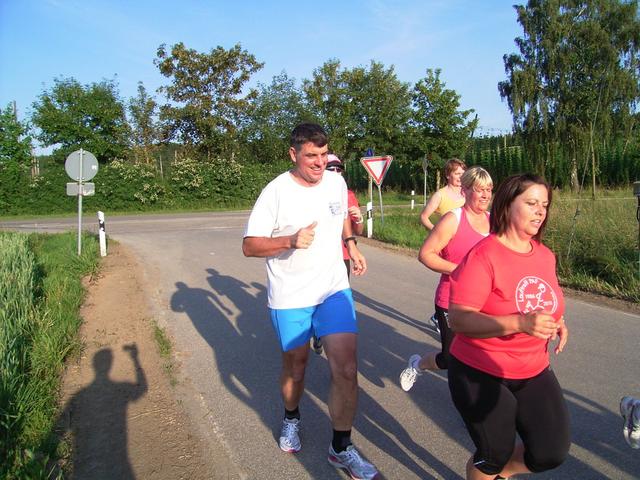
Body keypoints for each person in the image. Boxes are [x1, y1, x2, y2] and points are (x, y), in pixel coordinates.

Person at [242, 123, 378, 480]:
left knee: (346, 368)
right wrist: (289, 240)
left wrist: (351, 245)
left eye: (324, 154)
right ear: (294, 154)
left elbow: (340, 217)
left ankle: (341, 447)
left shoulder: (336, 183)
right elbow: (250, 245)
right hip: (290, 295)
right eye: (311, 156)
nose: (320, 162)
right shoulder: (276, 191)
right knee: (297, 367)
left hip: (333, 289)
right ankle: (291, 417)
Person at [446, 173, 570, 479]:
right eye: (531, 203)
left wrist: (557, 321)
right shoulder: (483, 255)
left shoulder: (545, 256)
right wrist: (520, 323)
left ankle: (501, 474)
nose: (540, 211)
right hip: (479, 369)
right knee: (494, 453)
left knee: (550, 451)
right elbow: (458, 319)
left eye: (544, 205)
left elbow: (544, 298)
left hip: (533, 368)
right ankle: (490, 470)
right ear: (507, 205)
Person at [399, 167, 493, 391]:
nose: (485, 195)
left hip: (485, 302)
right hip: (452, 300)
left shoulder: (494, 221)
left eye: (489, 189)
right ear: (465, 190)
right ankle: (418, 365)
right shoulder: (453, 220)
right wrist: (461, 270)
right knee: (451, 358)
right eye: (479, 190)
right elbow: (426, 254)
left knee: (484, 356)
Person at [312, 154, 364, 355]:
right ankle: (317, 328)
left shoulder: (348, 194)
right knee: (317, 296)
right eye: (331, 168)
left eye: (339, 169)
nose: (335, 172)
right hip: (316, 255)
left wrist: (359, 219)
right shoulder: (312, 193)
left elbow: (358, 231)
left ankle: (330, 334)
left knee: (337, 297)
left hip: (341, 255)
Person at [420, 158, 467, 334]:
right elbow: (424, 216)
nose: (461, 177)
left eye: (463, 173)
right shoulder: (441, 195)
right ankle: (441, 314)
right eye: (457, 173)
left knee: (467, 276)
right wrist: (437, 232)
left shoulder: (467, 192)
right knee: (454, 276)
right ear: (448, 175)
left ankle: (444, 314)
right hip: (448, 243)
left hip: (467, 242)